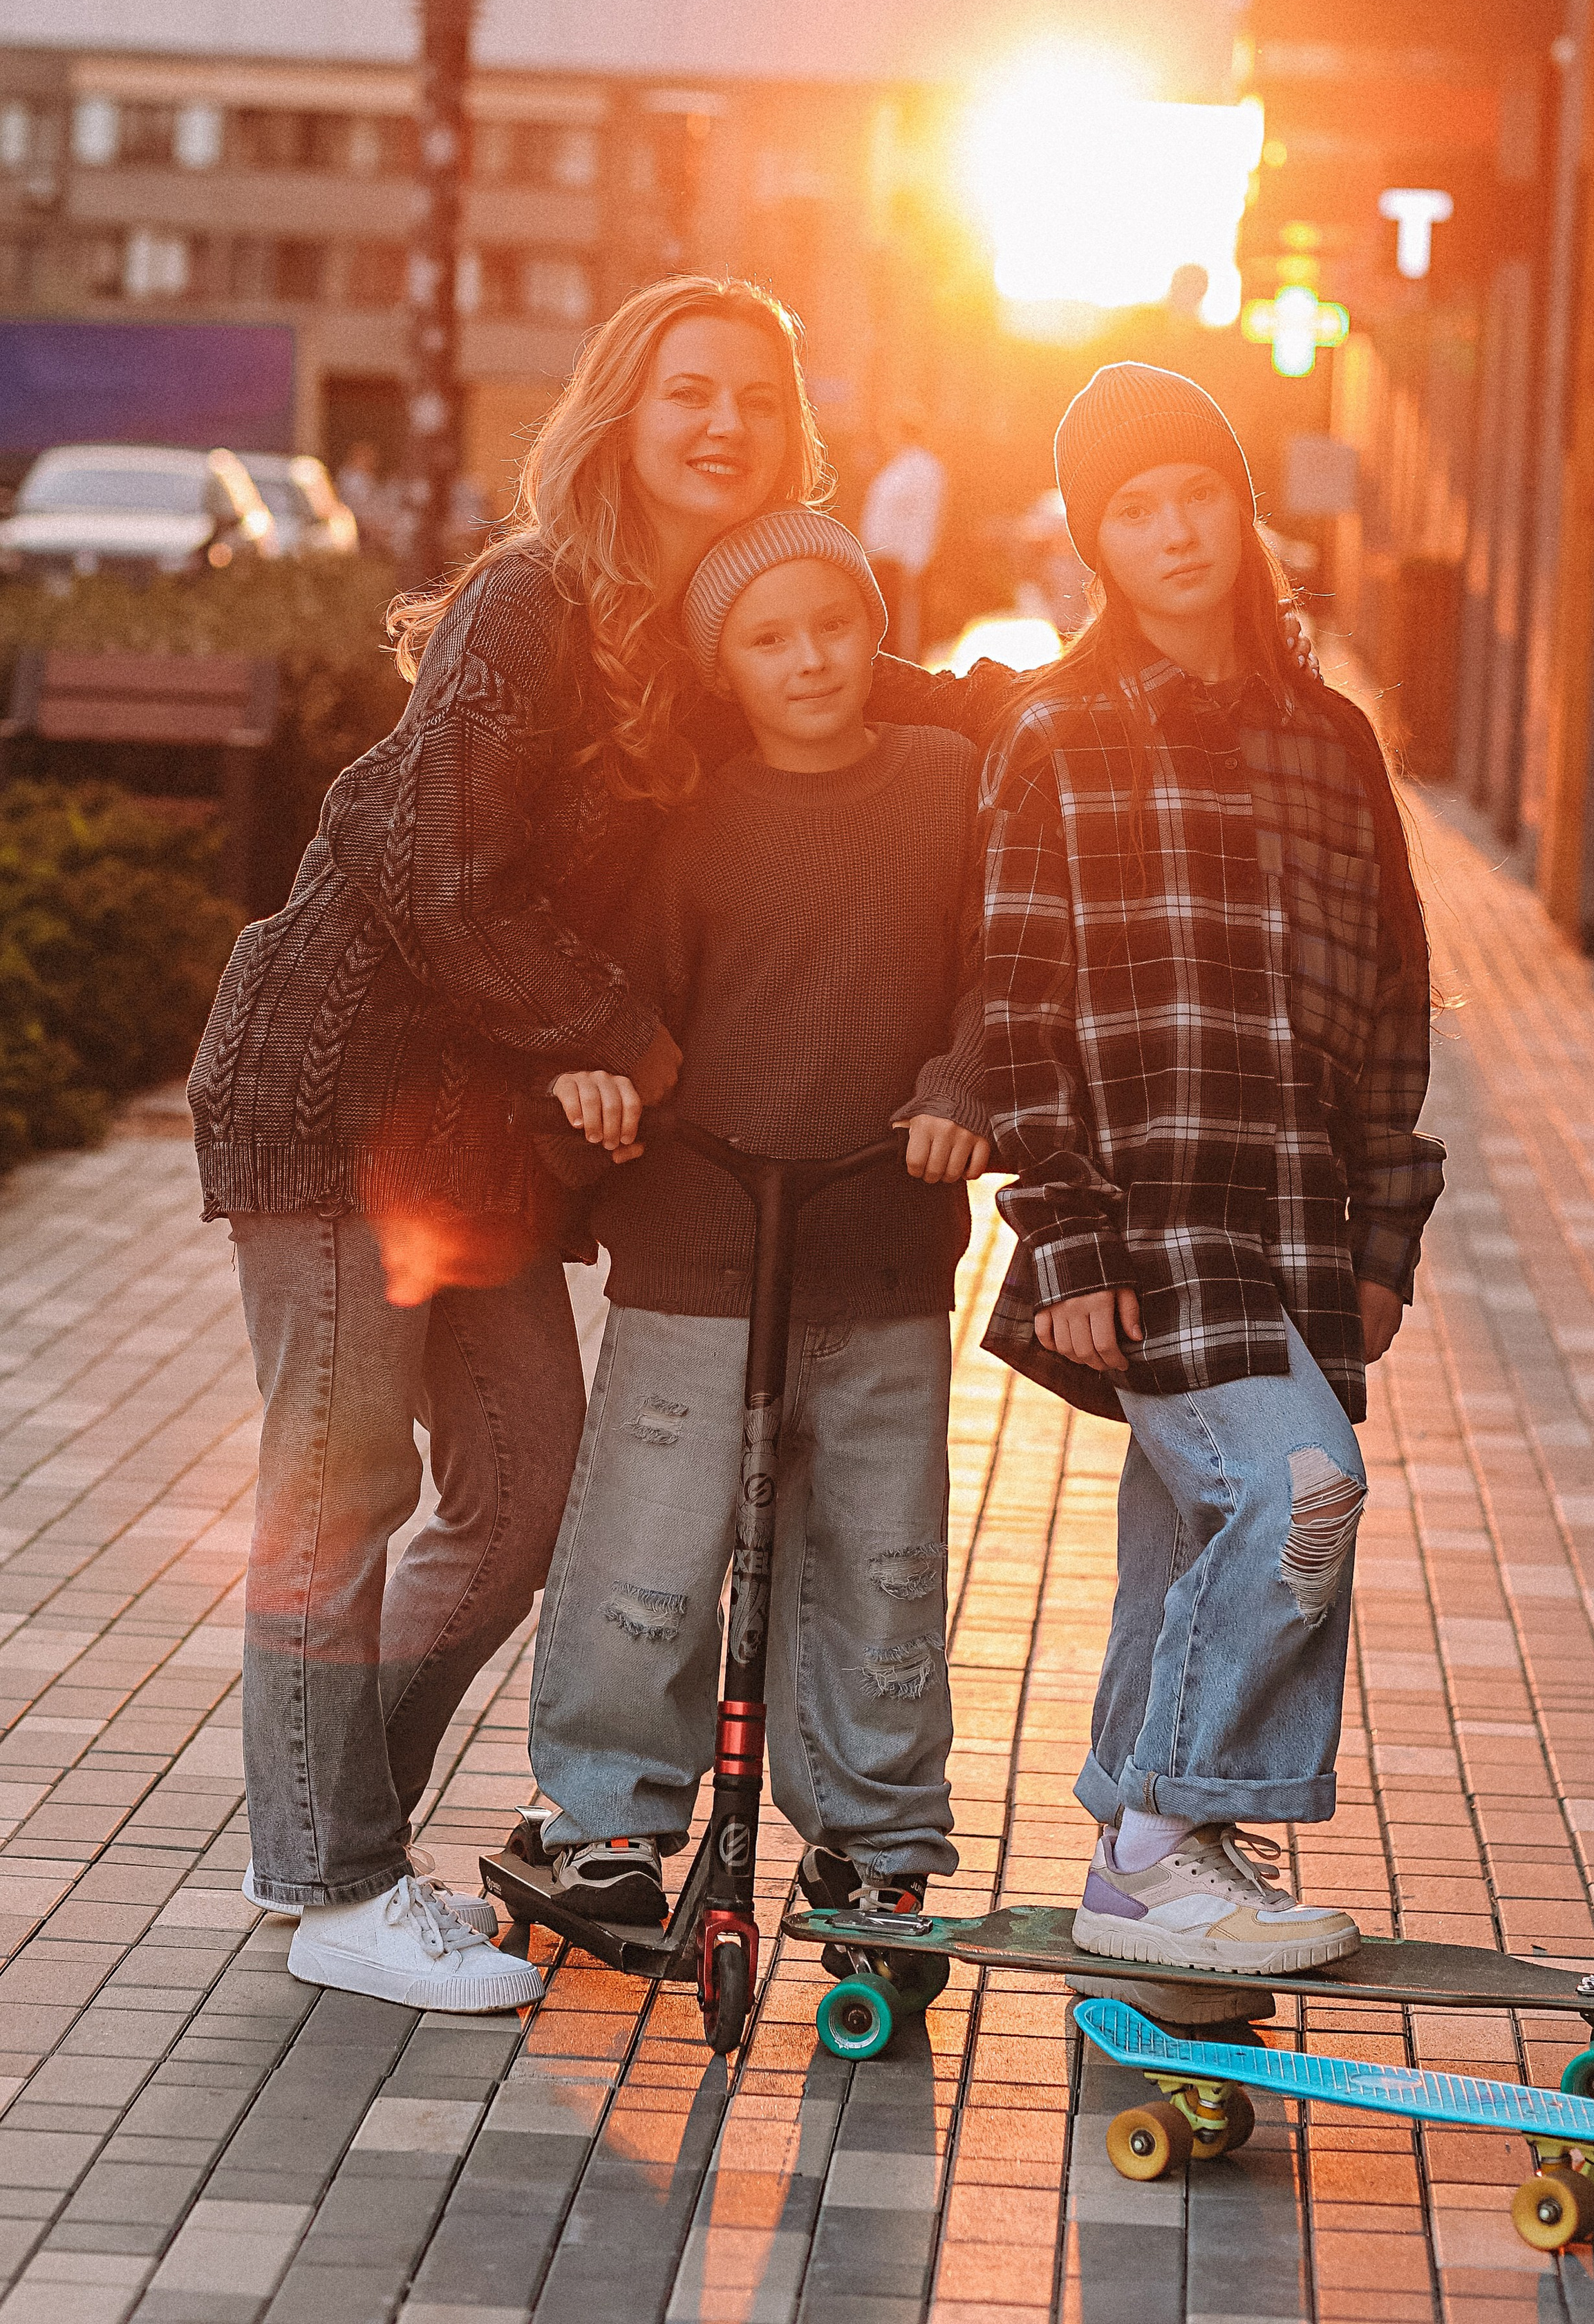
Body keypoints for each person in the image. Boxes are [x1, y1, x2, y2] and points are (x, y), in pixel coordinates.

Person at [189, 278, 1017, 2014]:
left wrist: (1055, 706)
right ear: (618, 416)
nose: (717, 423)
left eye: (752, 397)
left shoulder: (689, 626)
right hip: (342, 1094)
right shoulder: (532, 603)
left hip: (473, 1136)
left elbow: (851, 674)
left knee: (523, 1490)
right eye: (681, 392)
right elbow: (440, 879)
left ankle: (319, 1826)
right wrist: (631, 1042)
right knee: (340, 1486)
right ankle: (338, 1876)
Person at [977, 362, 1444, 1976]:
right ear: (1094, 542)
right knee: (1303, 1491)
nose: (1171, 530)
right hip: (1144, 1228)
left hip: (1295, 1241)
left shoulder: (1331, 740)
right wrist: (1064, 1237)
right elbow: (1015, 1013)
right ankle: (1167, 1835)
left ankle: (1148, 1834)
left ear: (1239, 511)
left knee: (1185, 1547)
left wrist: (1382, 1233)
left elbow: (1389, 1000)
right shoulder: (1056, 730)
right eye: (1130, 507)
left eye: (1194, 492)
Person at [525, 510, 991, 1931]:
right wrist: (596, 1085)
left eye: (835, 625)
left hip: (880, 1245)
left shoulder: (944, 786)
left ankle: (874, 1832)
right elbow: (630, 1001)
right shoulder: (695, 818)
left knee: (883, 1564)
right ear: (722, 667)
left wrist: (965, 1084)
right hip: (697, 1247)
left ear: (877, 626)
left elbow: (998, 971)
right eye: (768, 639)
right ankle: (608, 1815)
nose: (809, 660)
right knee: (649, 1554)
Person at [860, 404, 946, 659]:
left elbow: (925, 516)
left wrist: (915, 562)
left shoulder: (924, 467)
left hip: (904, 564)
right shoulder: (897, 466)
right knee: (888, 627)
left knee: (907, 628)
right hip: (883, 561)